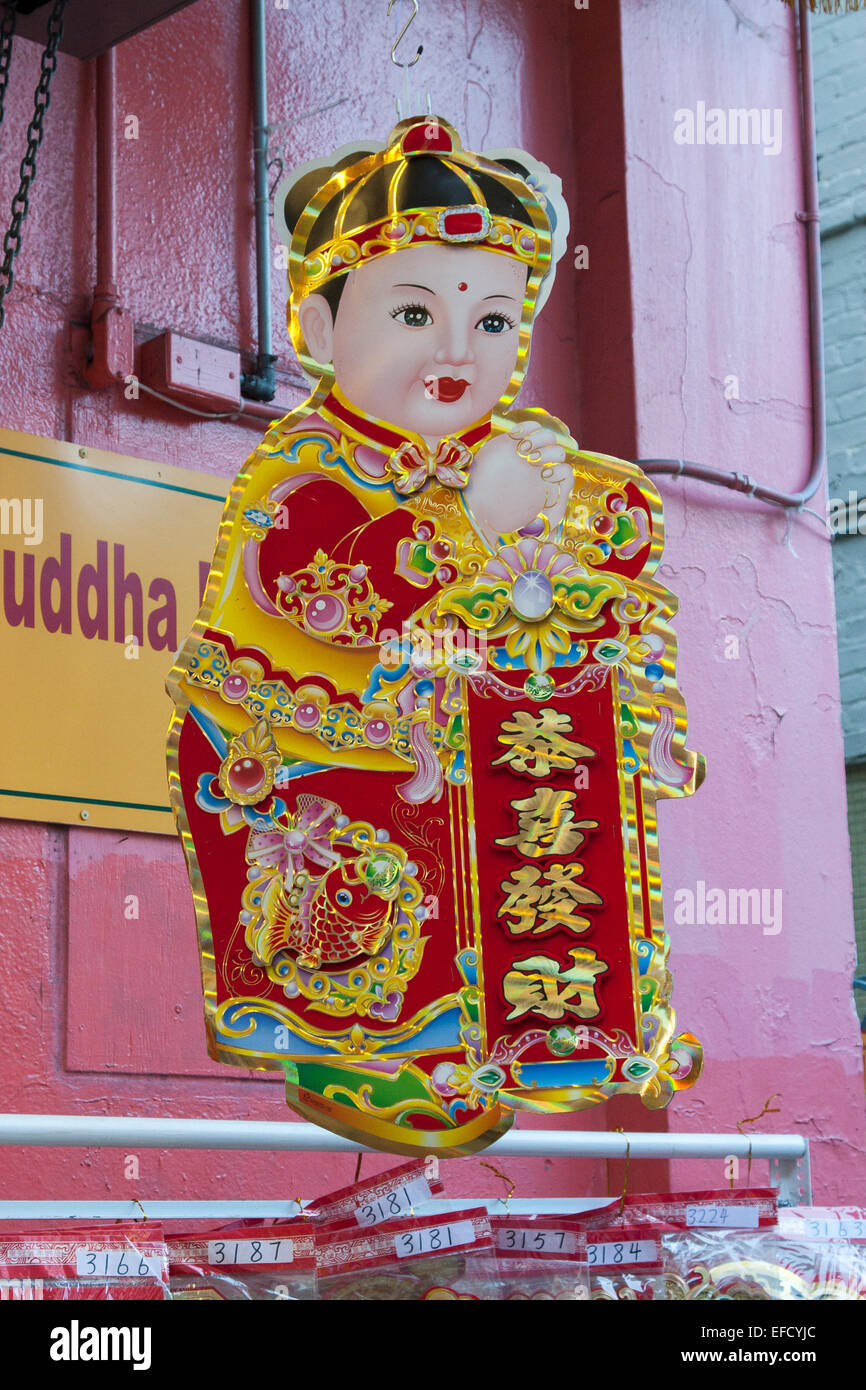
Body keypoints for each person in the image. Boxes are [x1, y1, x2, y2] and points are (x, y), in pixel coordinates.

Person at [167, 116, 704, 1155]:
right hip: (307, 753)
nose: (460, 351)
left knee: (505, 888)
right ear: (318, 331)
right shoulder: (302, 464)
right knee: (363, 920)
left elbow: (614, 530)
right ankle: (362, 1059)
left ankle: (495, 1049)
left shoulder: (499, 455)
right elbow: (316, 585)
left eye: (495, 322)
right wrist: (466, 523)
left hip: (462, 746)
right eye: (415, 311)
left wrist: (592, 518)